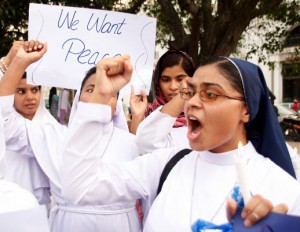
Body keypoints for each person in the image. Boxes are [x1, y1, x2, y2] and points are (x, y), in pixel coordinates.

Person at [61, 56, 300, 231]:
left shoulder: (283, 190)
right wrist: (100, 98)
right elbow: (79, 187)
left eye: (210, 94)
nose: (192, 103)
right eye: (192, 92)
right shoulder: (169, 162)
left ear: (246, 110)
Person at [0, 42, 140, 232]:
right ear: (77, 100)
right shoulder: (53, 135)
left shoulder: (133, 145)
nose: (100, 95)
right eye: (91, 89)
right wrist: (18, 63)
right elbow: (5, 121)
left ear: (117, 104)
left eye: (109, 91)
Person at [0, 43, 54, 209]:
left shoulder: (52, 127)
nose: (30, 97)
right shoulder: (6, 128)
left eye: (35, 90)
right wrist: (8, 62)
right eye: (21, 91)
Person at [130, 50, 195, 153]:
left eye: (180, 79)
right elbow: (136, 151)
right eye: (166, 80)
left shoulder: (200, 116)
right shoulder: (148, 114)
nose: (173, 87)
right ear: (157, 83)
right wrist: (137, 116)